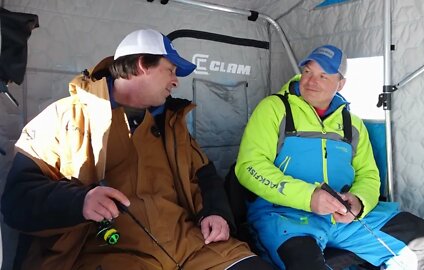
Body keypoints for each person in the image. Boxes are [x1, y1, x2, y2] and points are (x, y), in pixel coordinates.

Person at [1, 29, 273, 270]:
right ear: (143, 65)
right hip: (111, 253)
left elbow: (206, 175)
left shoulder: (173, 123)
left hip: (194, 247)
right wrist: (79, 201)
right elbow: (17, 199)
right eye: (171, 70)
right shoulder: (65, 117)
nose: (176, 81)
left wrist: (216, 213)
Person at [235, 45, 424, 270]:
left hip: (344, 218)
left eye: (323, 75)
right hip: (285, 217)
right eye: (308, 72)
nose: (311, 81)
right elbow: (249, 166)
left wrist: (360, 202)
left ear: (341, 83)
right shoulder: (273, 109)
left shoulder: (352, 124)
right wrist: (308, 197)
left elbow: (369, 175)